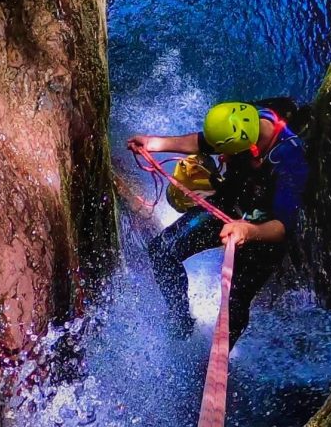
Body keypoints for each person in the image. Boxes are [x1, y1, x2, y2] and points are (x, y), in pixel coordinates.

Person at [127, 100, 308, 345]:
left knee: (235, 303)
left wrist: (246, 231)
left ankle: (217, 357)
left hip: (263, 232)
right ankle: (181, 322)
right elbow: (202, 142)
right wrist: (154, 143)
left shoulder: (291, 159)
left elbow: (282, 227)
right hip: (228, 206)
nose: (222, 158)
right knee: (162, 250)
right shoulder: (243, 123)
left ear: (253, 149)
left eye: (228, 154)